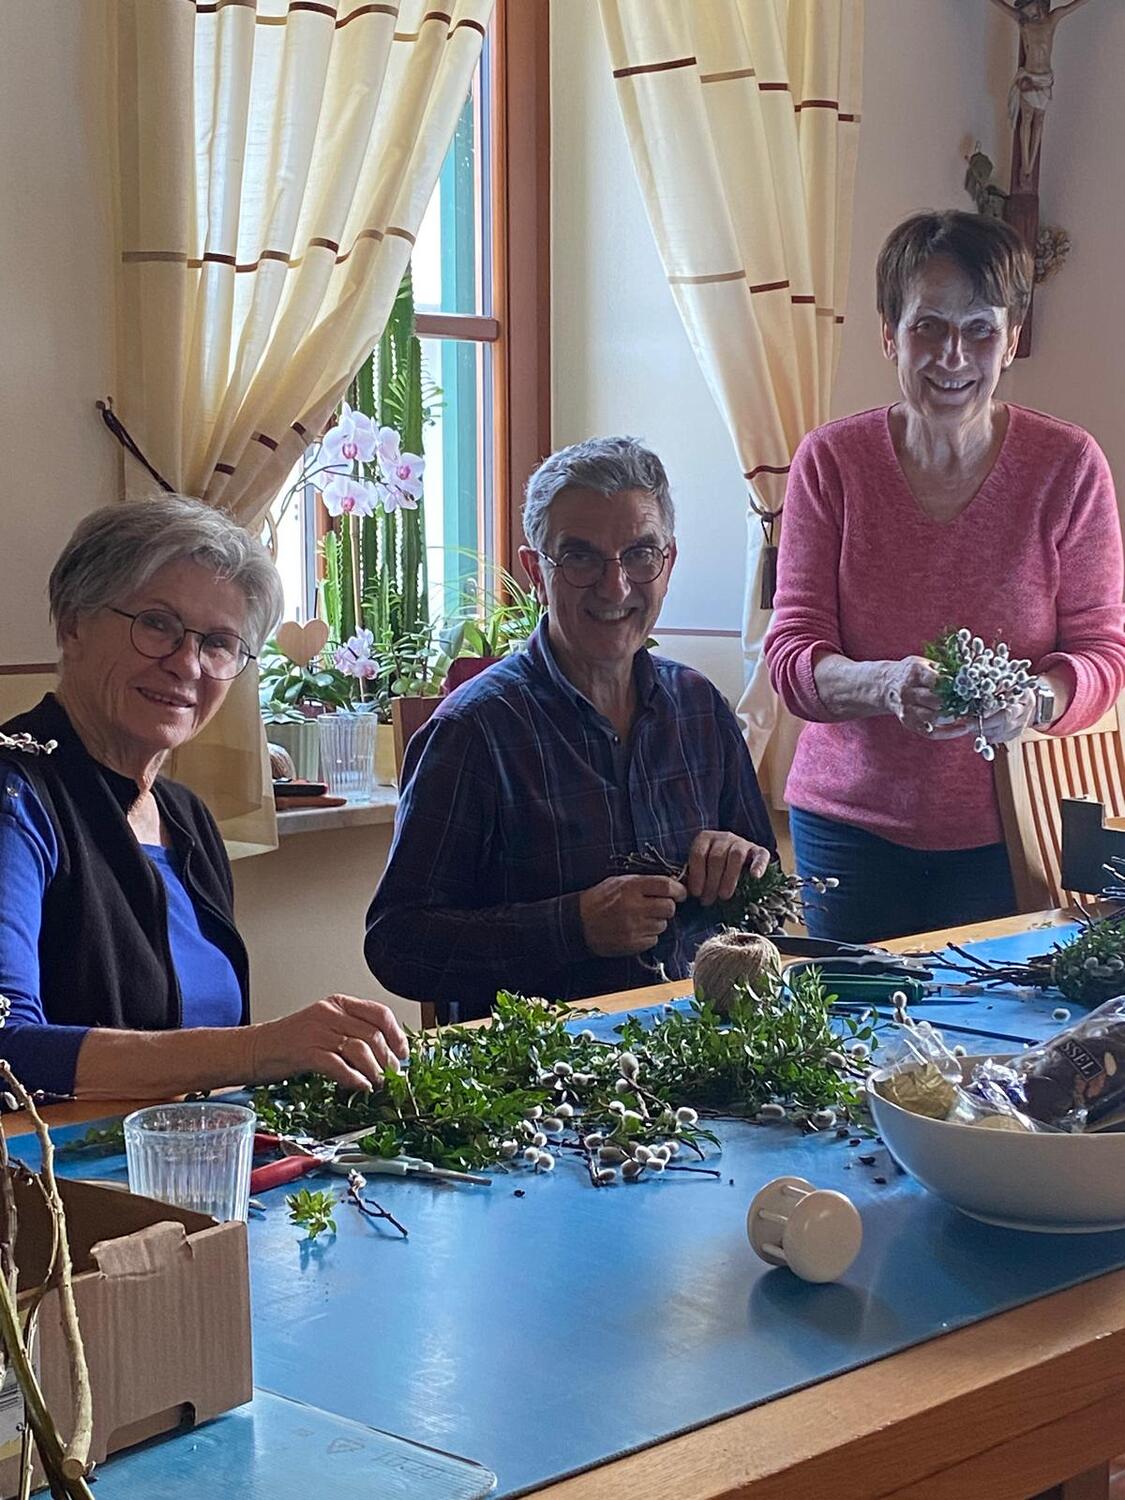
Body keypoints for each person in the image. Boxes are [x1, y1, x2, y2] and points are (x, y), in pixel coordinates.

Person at [765, 209, 1125, 943]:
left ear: (1011, 340)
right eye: (927, 326)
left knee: (995, 1015)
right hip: (848, 827)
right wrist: (883, 684)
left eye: (979, 329)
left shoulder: (1067, 467)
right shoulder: (831, 463)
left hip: (1013, 829)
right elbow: (791, 656)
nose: (952, 356)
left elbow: (1103, 654)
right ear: (888, 335)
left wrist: (1036, 700)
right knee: (854, 1014)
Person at [0, 496, 408, 1099]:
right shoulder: (15, 796)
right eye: (157, 624)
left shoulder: (184, 816)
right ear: (72, 623)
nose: (187, 664)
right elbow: (5, 1050)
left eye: (218, 642)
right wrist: (259, 1050)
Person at [366, 437, 776, 1021]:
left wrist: (744, 866)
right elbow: (398, 944)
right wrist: (572, 926)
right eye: (581, 558)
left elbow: (769, 894)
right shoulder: (472, 731)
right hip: (537, 1065)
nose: (616, 587)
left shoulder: (700, 709)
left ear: (668, 562)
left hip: (697, 1045)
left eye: (640, 554)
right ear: (536, 570)